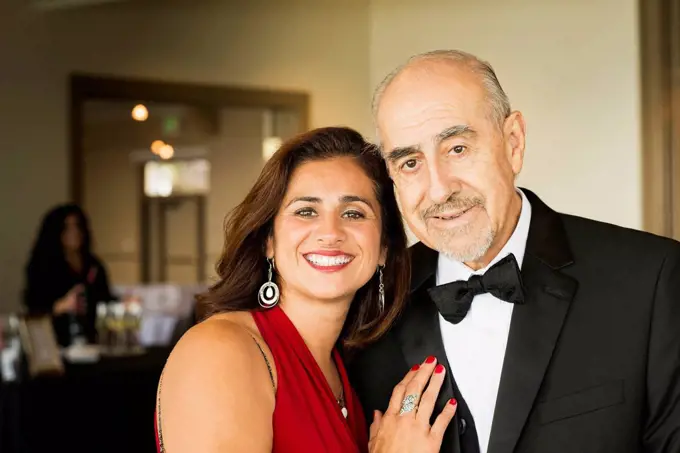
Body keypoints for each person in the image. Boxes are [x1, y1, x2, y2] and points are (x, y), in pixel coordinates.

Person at [348, 50, 680, 453]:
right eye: (410, 162)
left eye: (457, 148)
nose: (439, 190)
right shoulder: (370, 306)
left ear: (513, 142)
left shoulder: (651, 278)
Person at [155, 127, 458, 453]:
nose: (330, 232)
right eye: (306, 211)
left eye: (353, 212)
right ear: (268, 241)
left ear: (384, 247)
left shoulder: (348, 370)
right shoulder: (221, 350)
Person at [24, 203, 117, 346]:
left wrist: (122, 305)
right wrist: (62, 306)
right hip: (56, 342)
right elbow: (34, 309)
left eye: (77, 226)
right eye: (67, 228)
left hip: (92, 341)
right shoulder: (42, 265)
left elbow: (105, 299)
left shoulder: (93, 265)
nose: (74, 233)